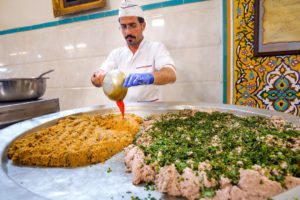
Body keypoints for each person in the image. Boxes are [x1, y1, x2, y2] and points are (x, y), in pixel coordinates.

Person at [91, 0, 176, 102]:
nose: (128, 32)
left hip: (151, 112)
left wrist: (148, 77)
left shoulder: (156, 48)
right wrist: (96, 77)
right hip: (125, 113)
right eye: (124, 26)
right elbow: (98, 76)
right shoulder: (116, 54)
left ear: (143, 25)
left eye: (132, 25)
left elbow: (171, 74)